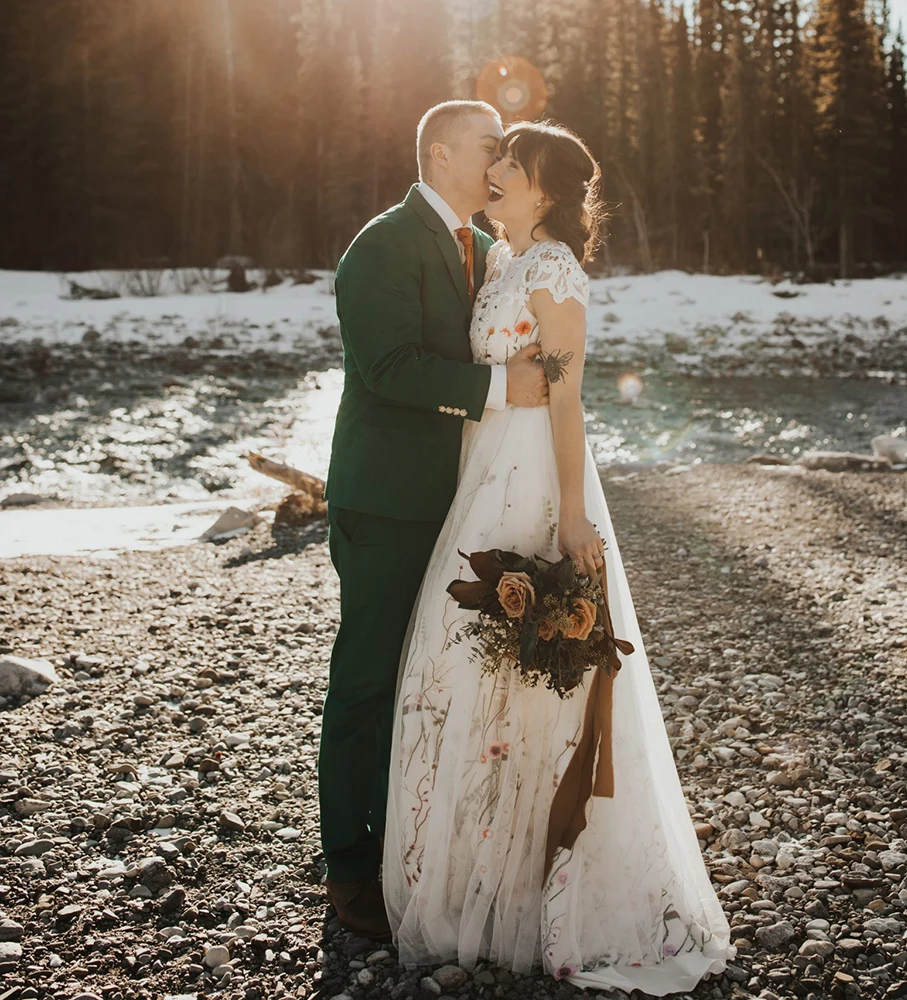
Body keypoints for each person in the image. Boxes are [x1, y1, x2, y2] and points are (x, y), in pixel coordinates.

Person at [382, 121, 734, 994]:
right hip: (482, 472)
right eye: (494, 160)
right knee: (462, 665)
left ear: (544, 190)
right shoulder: (503, 262)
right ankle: (471, 874)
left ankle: (537, 888)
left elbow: (569, 403)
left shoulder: (556, 274)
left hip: (535, 481)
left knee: (528, 666)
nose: (495, 172)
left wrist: (573, 516)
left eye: (513, 165)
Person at [318, 101, 549, 940]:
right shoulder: (379, 245)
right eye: (491, 146)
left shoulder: (487, 250)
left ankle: (418, 846)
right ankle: (348, 862)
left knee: (441, 681)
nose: (500, 159)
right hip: (384, 501)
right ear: (443, 152)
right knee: (371, 678)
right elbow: (385, 367)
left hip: (463, 501)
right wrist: (496, 391)